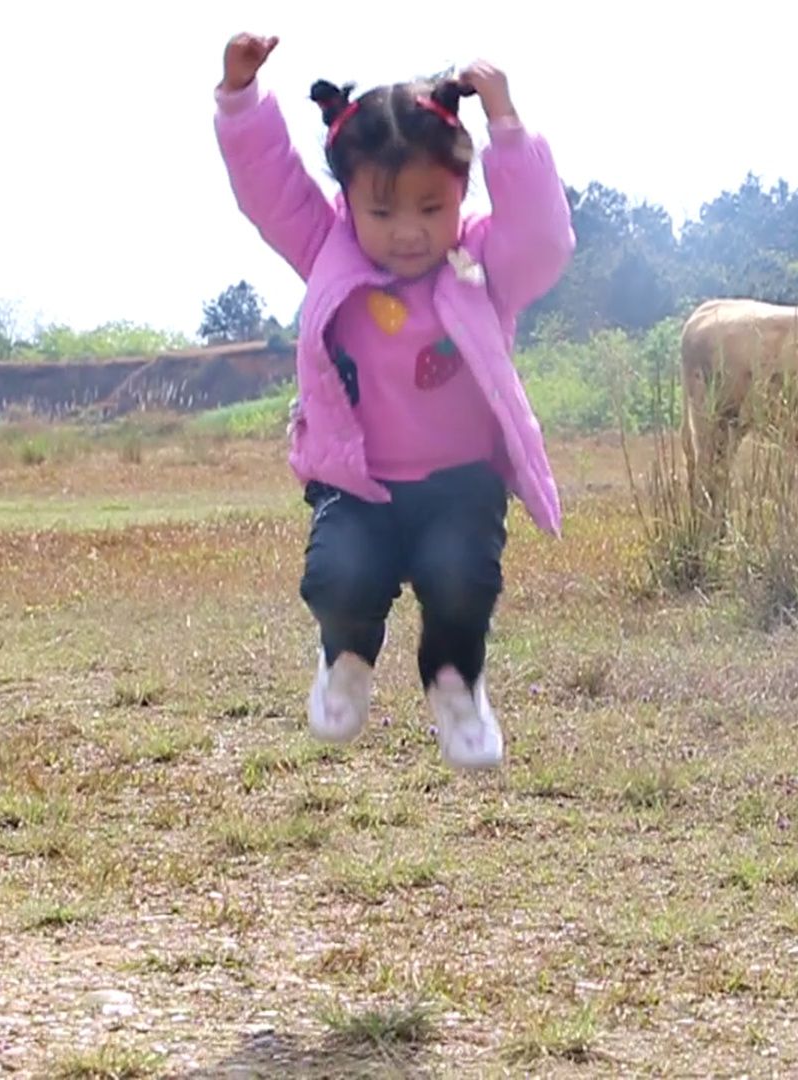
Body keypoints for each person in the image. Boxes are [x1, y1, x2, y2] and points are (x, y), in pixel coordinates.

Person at [211, 32, 573, 771]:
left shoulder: (483, 262)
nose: (408, 232)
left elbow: (543, 238)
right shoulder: (327, 249)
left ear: (462, 194)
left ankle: (456, 684)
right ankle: (344, 660)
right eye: (383, 213)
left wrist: (507, 128)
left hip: (460, 481)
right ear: (348, 202)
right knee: (337, 576)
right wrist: (241, 98)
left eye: (430, 207)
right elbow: (269, 187)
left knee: (461, 578)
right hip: (357, 482)